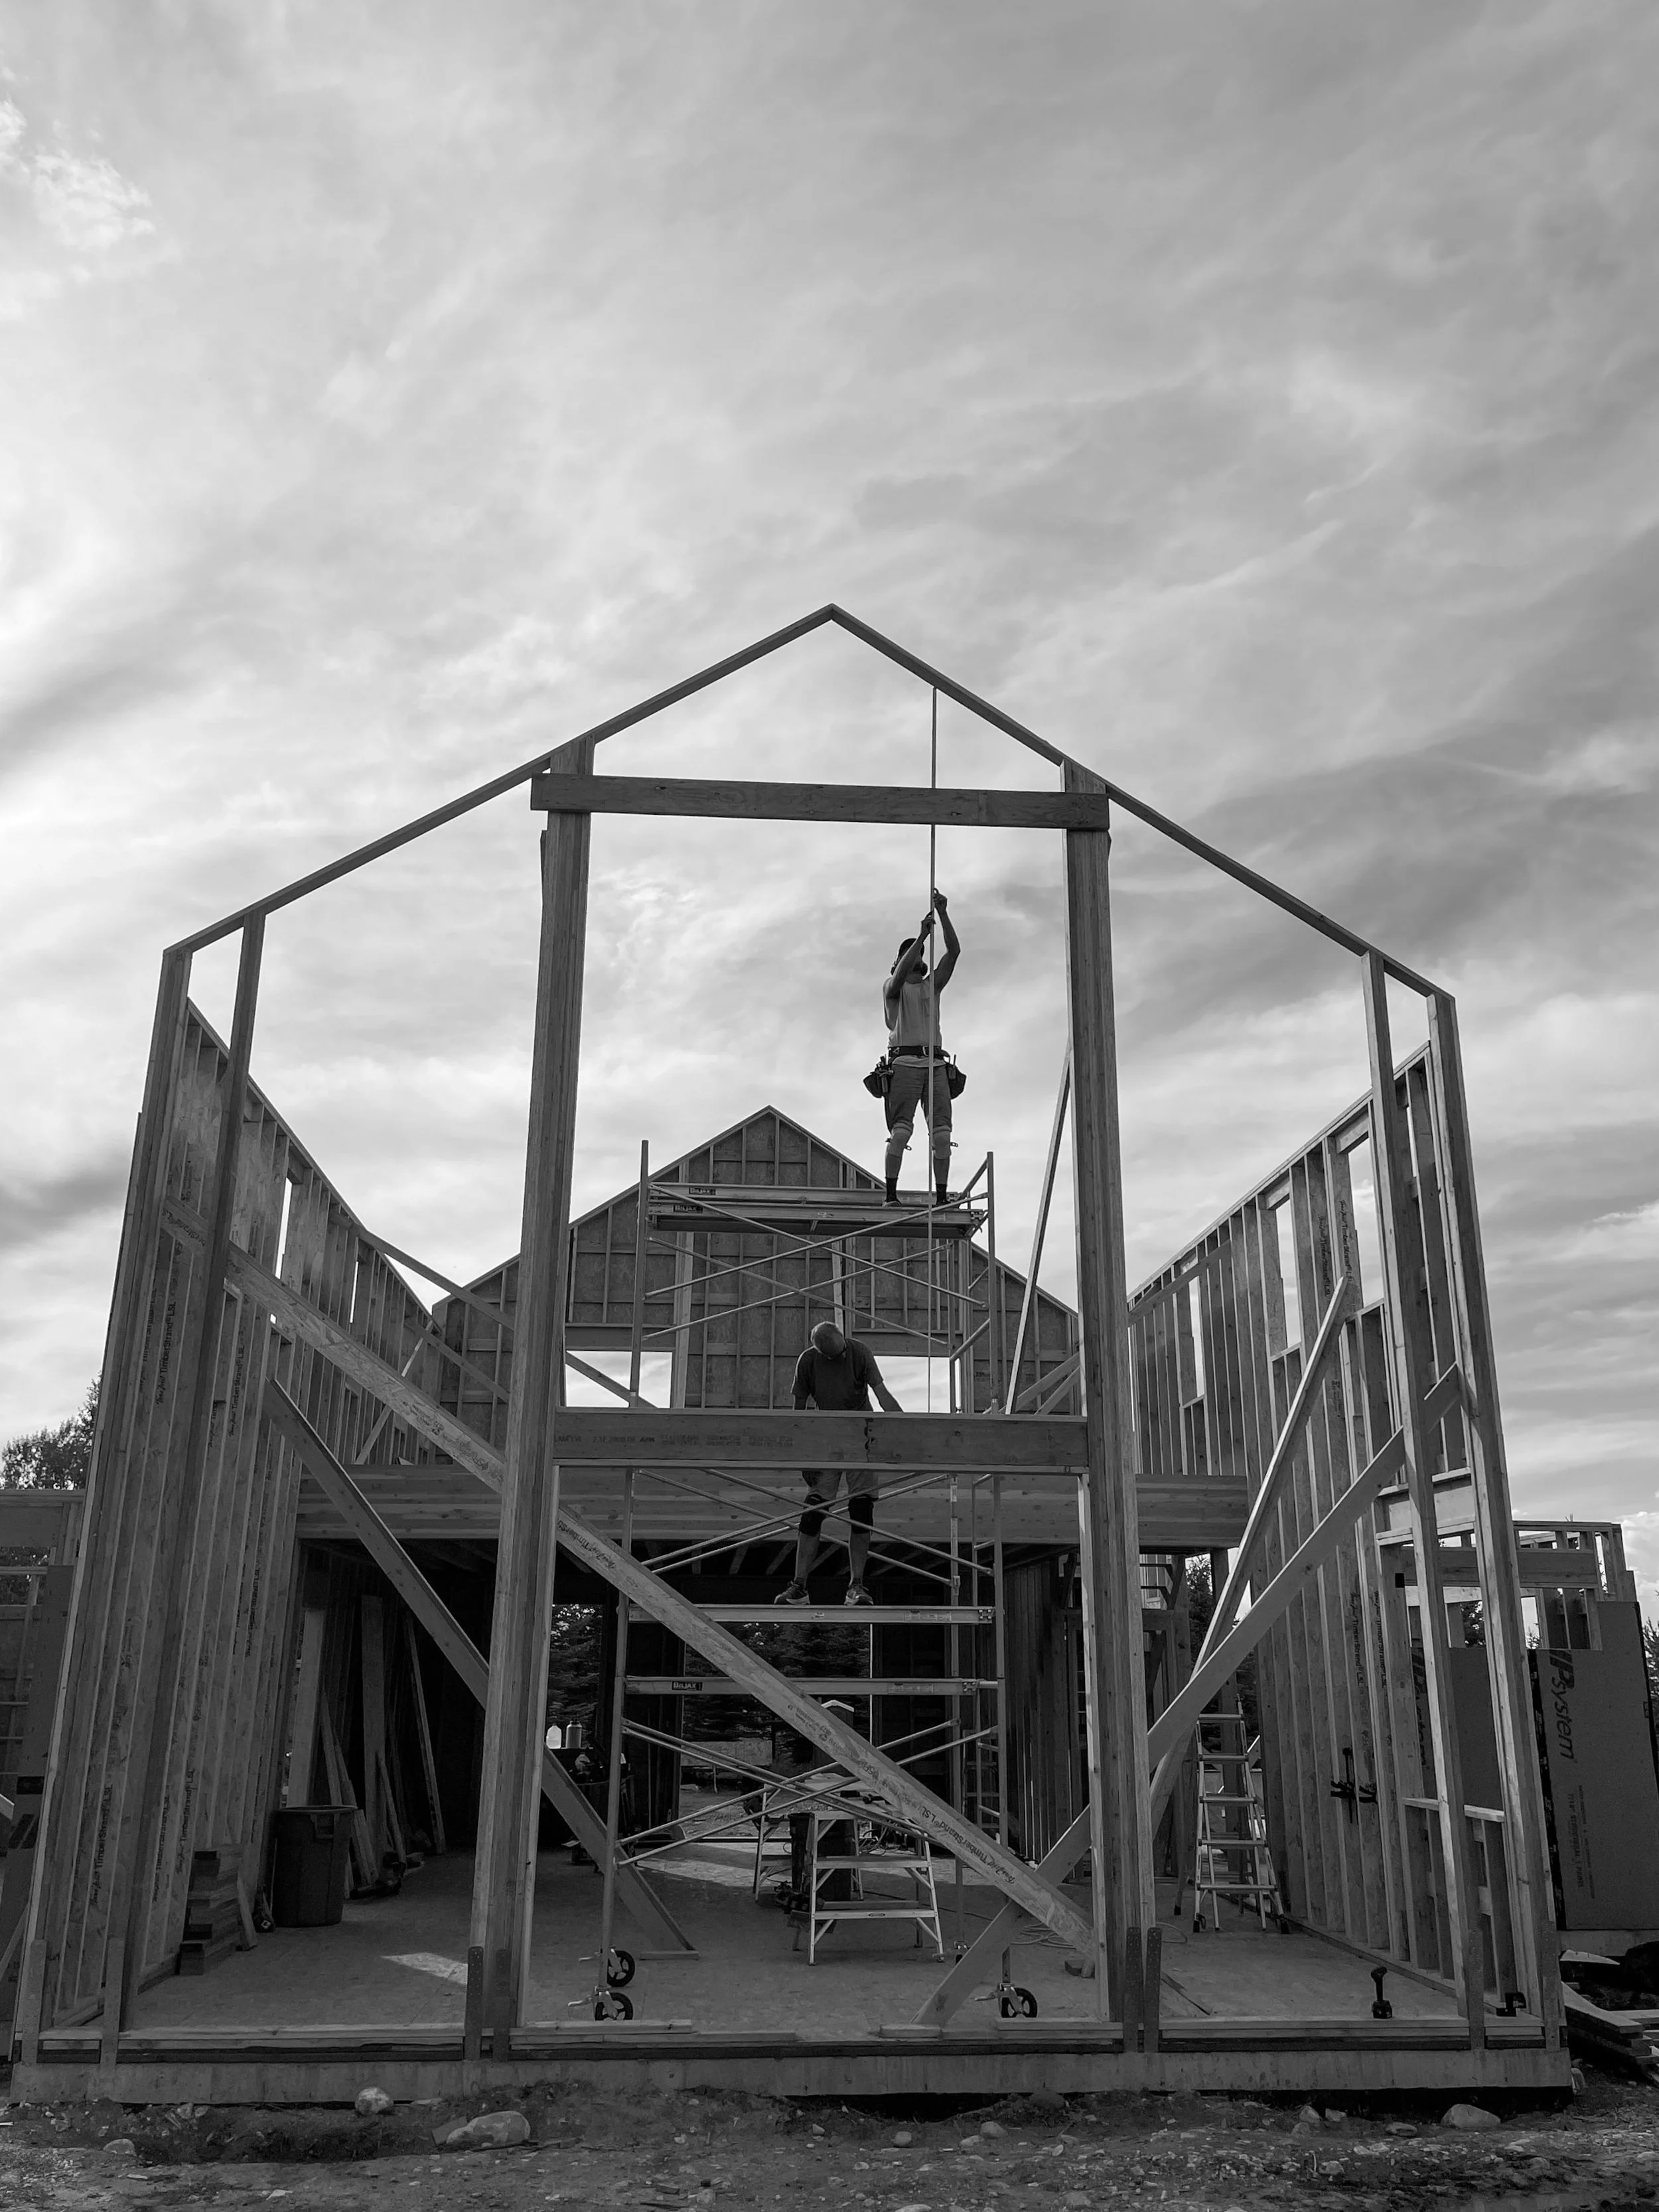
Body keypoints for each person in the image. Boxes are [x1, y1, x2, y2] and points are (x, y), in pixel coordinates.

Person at [776, 1320, 902, 1607]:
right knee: (813, 1513)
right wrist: (805, 1455)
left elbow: (882, 1396)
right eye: (831, 1357)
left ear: (843, 1339)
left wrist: (905, 1430)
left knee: (861, 1510)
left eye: (839, 1353)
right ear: (818, 1350)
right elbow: (800, 1414)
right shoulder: (808, 1362)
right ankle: (799, 1588)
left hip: (862, 1438)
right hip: (827, 1439)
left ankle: (856, 1586)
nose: (837, 1359)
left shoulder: (860, 1353)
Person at [880, 889, 960, 1207]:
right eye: (914, 955)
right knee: (901, 1132)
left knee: (942, 1135)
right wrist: (920, 937)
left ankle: (940, 1196)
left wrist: (942, 914)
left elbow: (954, 952)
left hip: (934, 1065)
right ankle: (890, 1195)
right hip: (905, 1065)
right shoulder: (893, 989)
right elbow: (900, 975)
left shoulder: (931, 986)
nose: (919, 959)